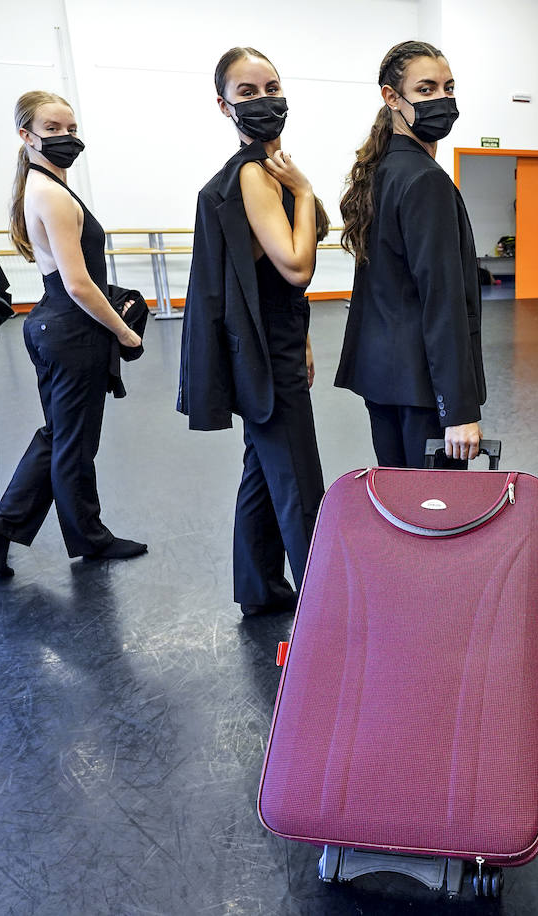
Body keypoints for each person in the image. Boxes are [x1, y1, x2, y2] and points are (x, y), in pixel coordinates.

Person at [178, 47, 328, 616]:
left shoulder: (259, 170)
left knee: (263, 470)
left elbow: (263, 278)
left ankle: (259, 589)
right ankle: (324, 607)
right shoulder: (254, 174)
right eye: (247, 92)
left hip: (268, 338)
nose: (264, 100)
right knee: (298, 480)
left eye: (272, 88)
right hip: (267, 352)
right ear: (224, 106)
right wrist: (306, 193)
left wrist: (303, 337)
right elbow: (296, 266)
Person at [0, 90, 145, 577]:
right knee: (74, 444)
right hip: (71, 329)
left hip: (56, 324)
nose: (66, 137)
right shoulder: (50, 193)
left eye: (70, 128)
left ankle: (4, 527)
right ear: (27, 136)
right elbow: (78, 283)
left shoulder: (44, 186)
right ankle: (81, 537)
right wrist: (125, 333)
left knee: (60, 437)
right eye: (52, 129)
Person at [336, 40, 485, 469]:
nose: (442, 99)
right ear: (391, 97)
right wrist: (458, 410)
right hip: (423, 389)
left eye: (448, 87)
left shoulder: (381, 171)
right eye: (426, 89)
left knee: (400, 499)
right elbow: (442, 299)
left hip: (383, 380)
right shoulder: (425, 180)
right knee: (435, 505)